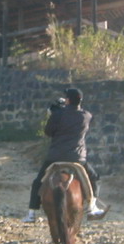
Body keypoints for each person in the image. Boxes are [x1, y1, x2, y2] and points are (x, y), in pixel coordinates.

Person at [23, 88, 107, 223]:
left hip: (55, 157)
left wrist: (55, 112)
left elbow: (48, 132)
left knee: (38, 182)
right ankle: (92, 207)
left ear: (67, 100)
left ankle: (31, 213)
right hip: (77, 158)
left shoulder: (58, 114)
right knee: (95, 178)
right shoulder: (87, 115)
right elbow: (77, 115)